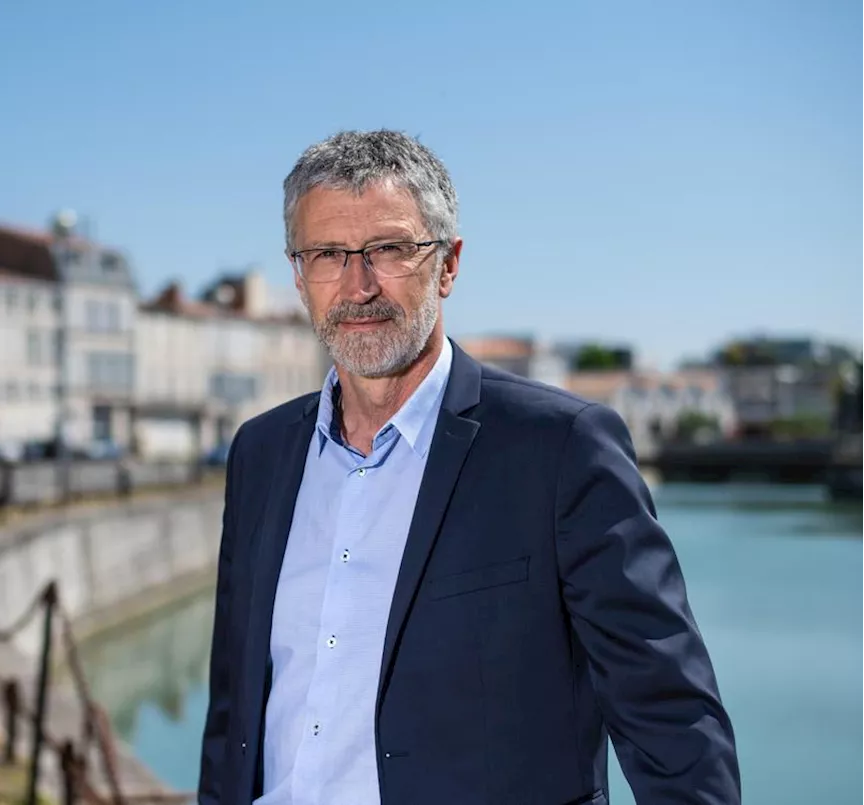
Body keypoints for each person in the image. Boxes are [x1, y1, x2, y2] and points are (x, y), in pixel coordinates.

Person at [197, 130, 740, 805]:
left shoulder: (562, 447)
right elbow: (233, 711)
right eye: (328, 254)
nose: (357, 284)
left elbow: (670, 719)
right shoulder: (261, 452)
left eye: (390, 249)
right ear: (299, 274)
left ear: (448, 264)